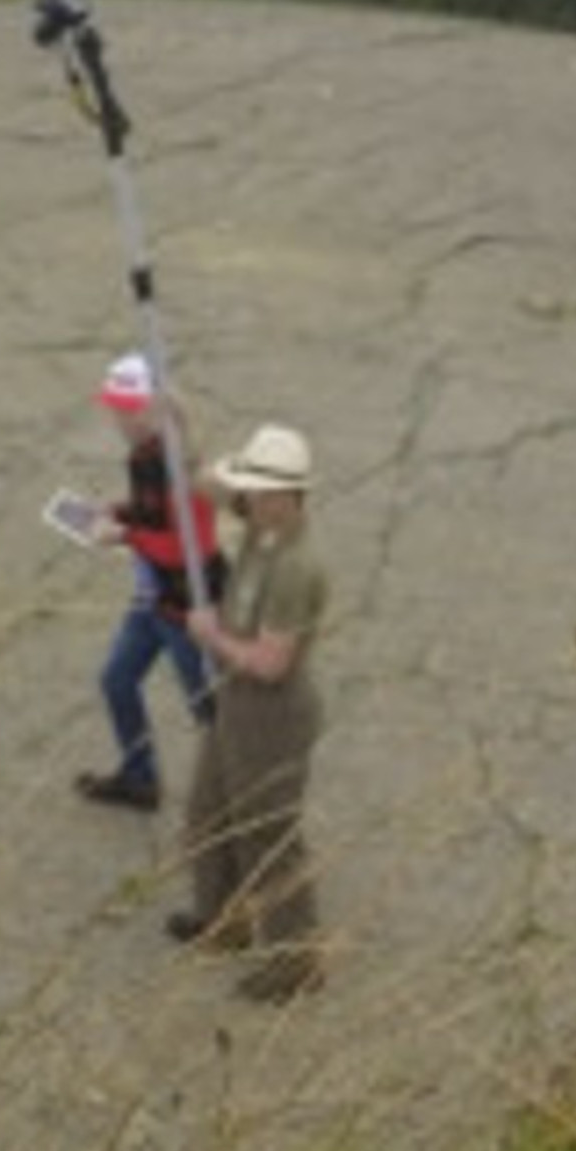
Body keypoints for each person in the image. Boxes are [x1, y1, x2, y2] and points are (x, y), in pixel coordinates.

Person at [169, 423, 331, 1002]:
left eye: (264, 493)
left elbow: (270, 664)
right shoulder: (261, 524)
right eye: (252, 491)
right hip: (236, 700)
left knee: (267, 833)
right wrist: (179, 422)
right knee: (208, 812)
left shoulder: (295, 565)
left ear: (292, 497)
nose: (251, 501)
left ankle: (294, 961)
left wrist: (211, 635)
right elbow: (206, 483)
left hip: (270, 711)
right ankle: (222, 919)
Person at [77, 353, 219, 811]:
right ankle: (140, 778)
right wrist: (118, 510)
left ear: (153, 408)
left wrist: (123, 534)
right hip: (151, 597)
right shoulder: (145, 455)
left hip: (185, 607)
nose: (117, 416)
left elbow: (185, 549)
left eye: (127, 408)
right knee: (117, 680)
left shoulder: (178, 464)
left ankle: (241, 798)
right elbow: (150, 511)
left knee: (209, 710)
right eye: (115, 407)